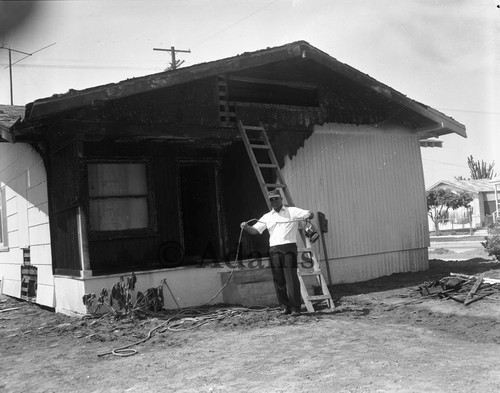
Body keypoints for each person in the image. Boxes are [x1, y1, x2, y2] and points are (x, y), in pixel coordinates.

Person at [240, 189, 314, 316]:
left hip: (289, 247)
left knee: (291, 278)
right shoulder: (267, 217)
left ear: (281, 199)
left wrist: (309, 215)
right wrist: (246, 227)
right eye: (271, 199)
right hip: (274, 249)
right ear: (269, 202)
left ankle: (296, 308)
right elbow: (255, 231)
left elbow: (309, 213)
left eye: (276, 198)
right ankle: (285, 307)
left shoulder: (292, 211)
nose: (274, 201)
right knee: (278, 279)